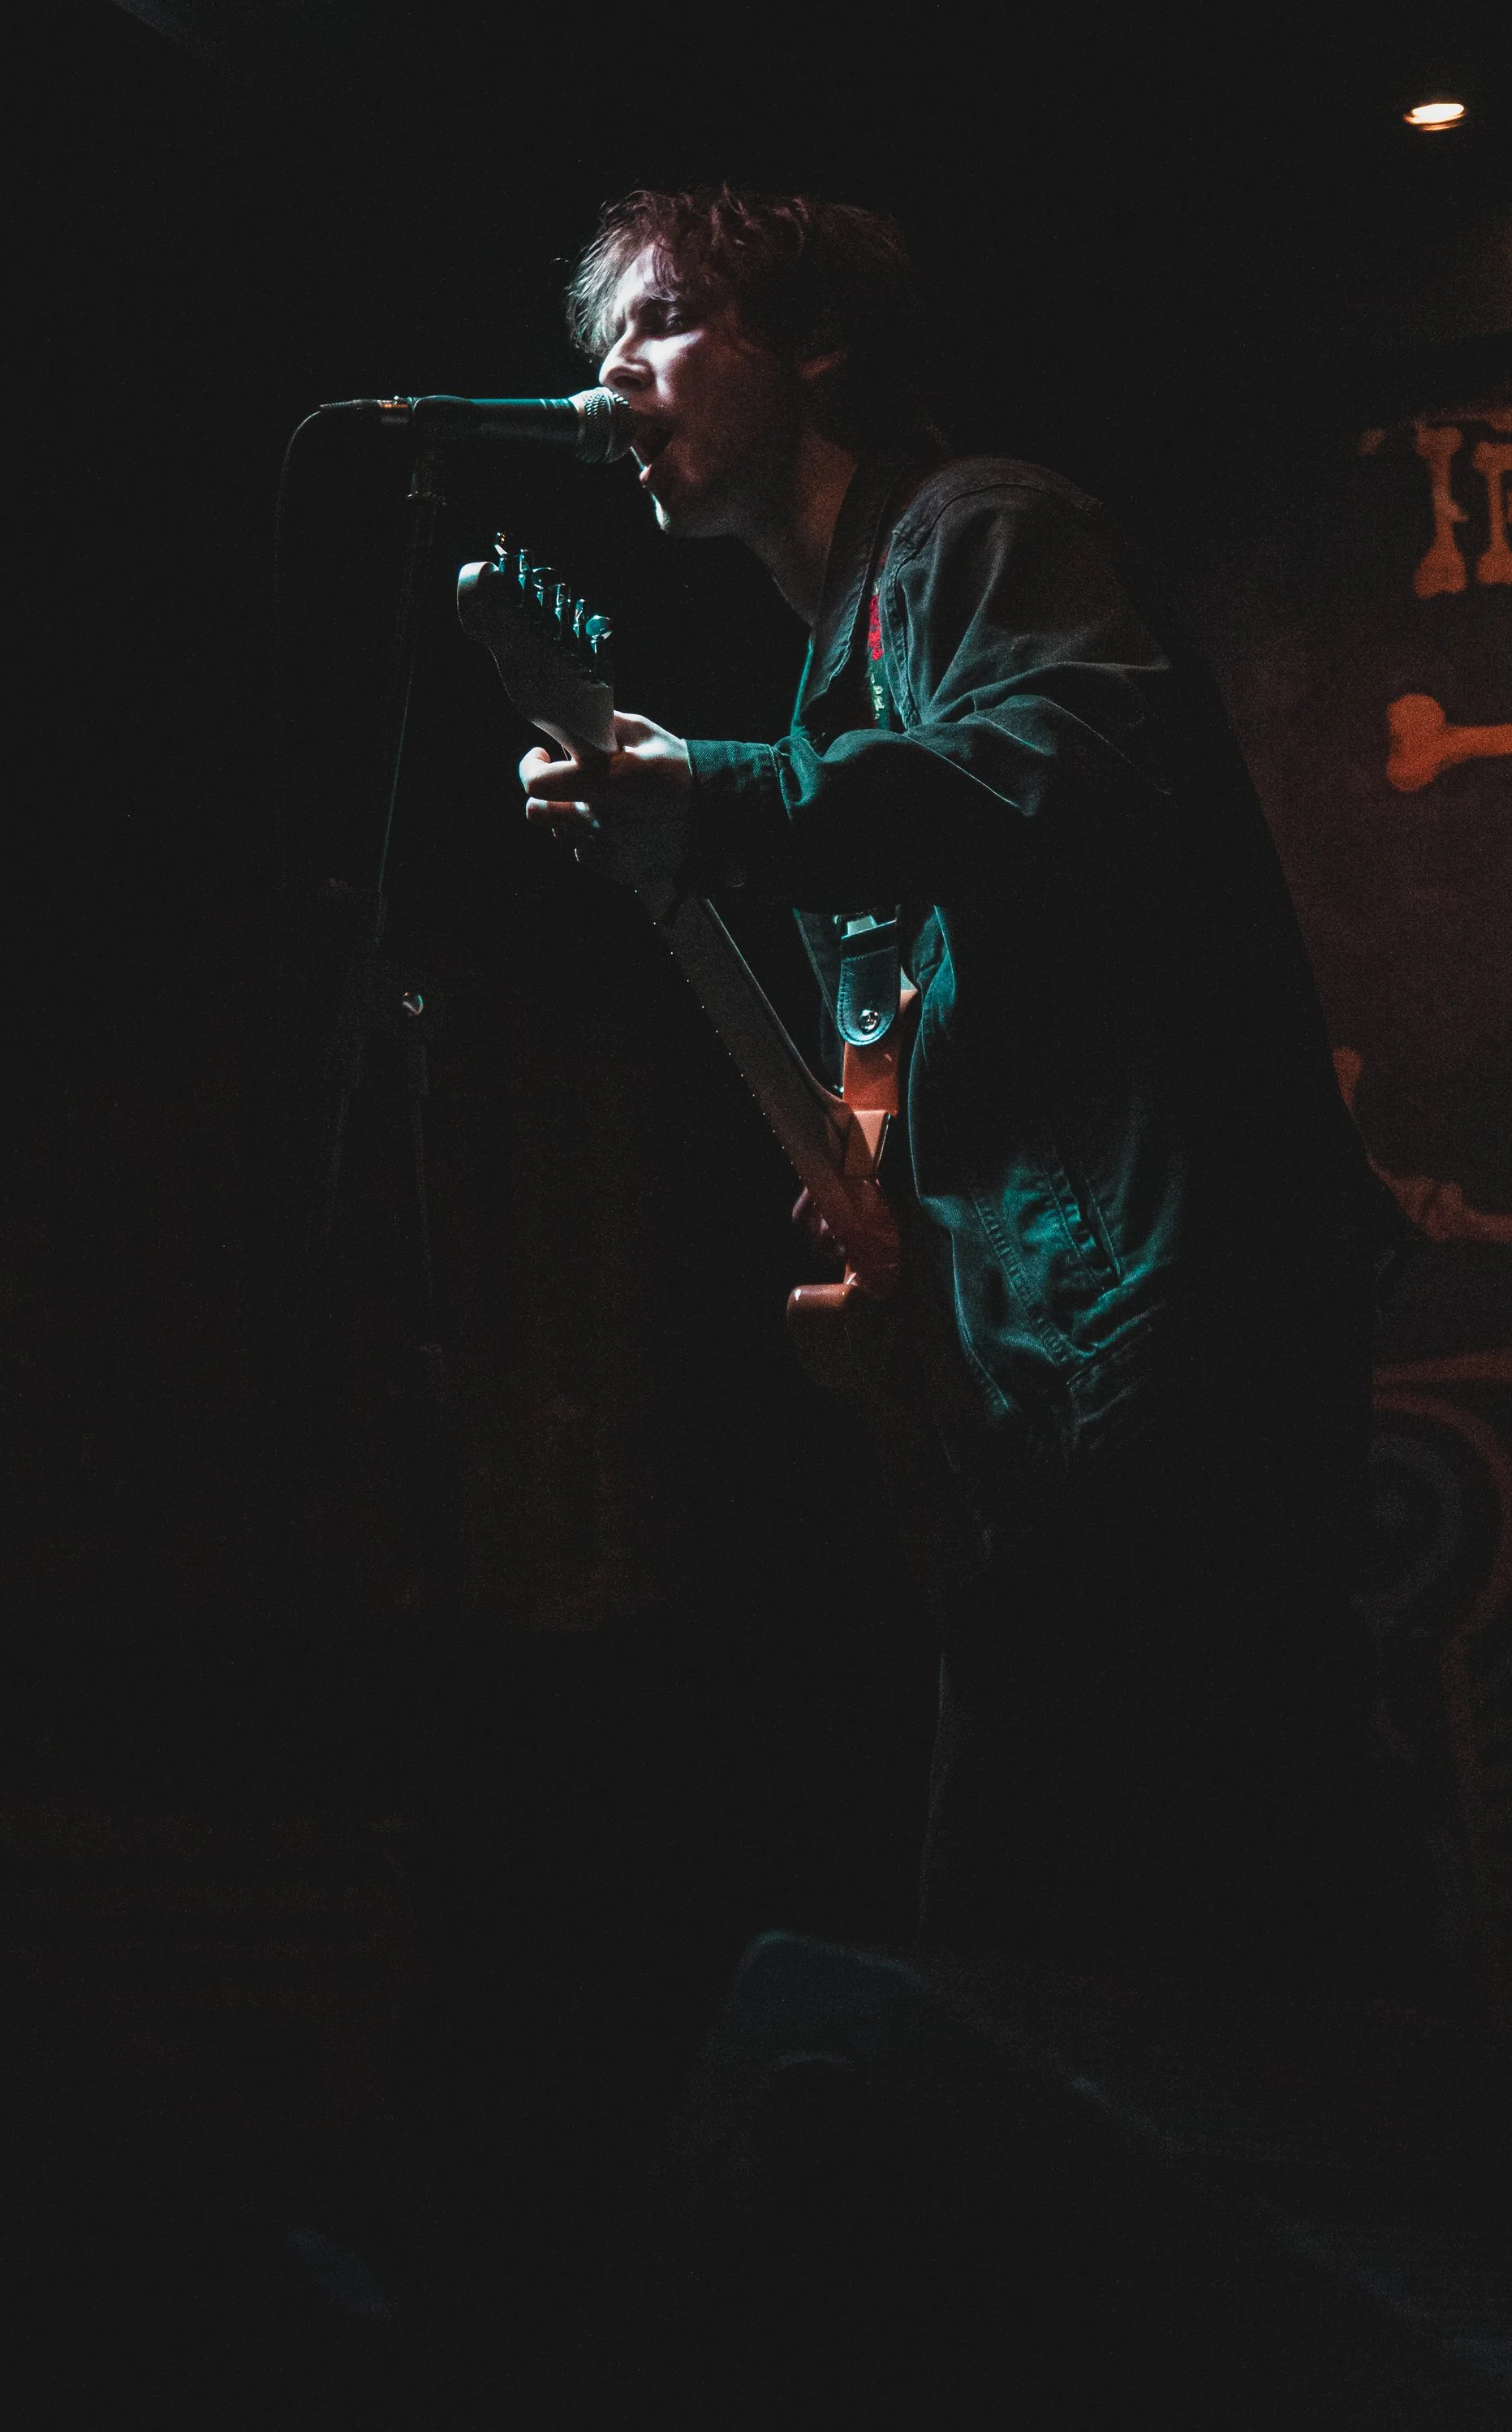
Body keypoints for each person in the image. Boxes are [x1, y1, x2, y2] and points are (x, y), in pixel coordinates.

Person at [519, 187, 1398, 1979]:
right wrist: (893, 1280)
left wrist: (720, 793)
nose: (617, 376)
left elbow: (1057, 779)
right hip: (1053, 1400)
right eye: (597, 343)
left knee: (1133, 1961)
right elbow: (923, 1048)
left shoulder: (981, 529)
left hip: (1168, 1352)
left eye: (666, 321)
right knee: (1082, 1958)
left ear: (819, 344)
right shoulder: (839, 668)